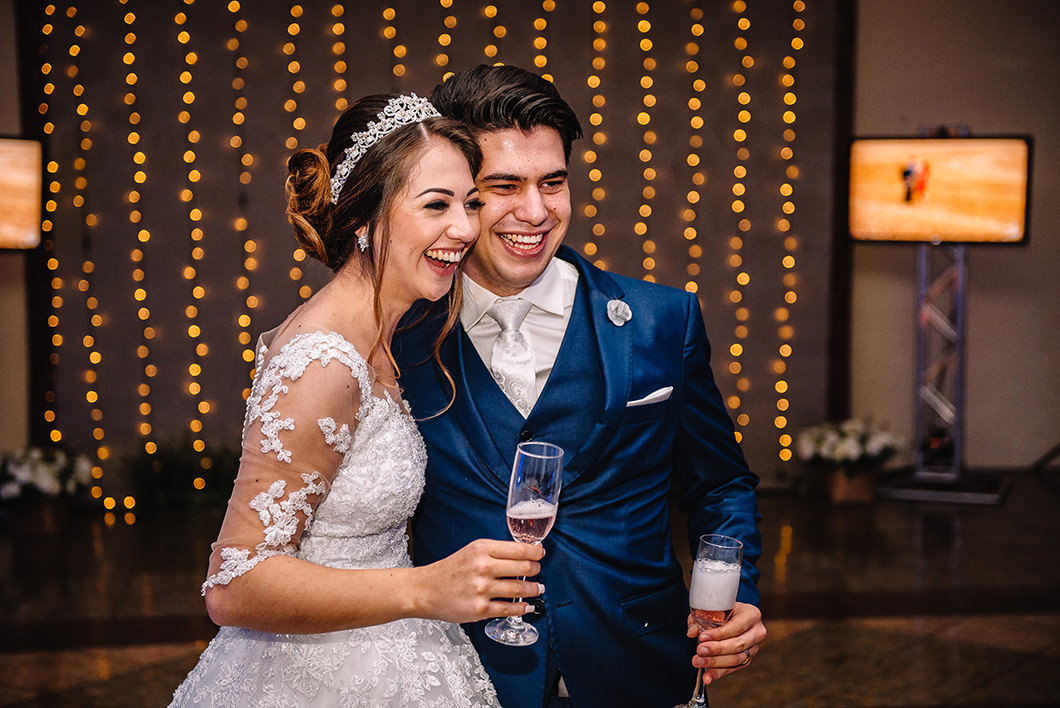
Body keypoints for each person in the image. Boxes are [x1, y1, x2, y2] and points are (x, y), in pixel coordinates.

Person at [395, 65, 766, 708]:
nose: (535, 212)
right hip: (455, 674)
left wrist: (738, 591)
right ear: (454, 193)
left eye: (553, 183)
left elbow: (721, 483)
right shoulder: (395, 335)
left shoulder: (661, 321)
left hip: (638, 664)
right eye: (503, 186)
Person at [168, 93, 545, 707]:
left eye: (470, 203)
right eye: (436, 205)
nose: (466, 228)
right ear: (365, 220)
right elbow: (233, 583)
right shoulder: (323, 361)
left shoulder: (392, 338)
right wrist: (424, 590)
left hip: (395, 653)